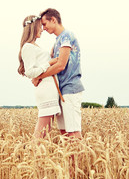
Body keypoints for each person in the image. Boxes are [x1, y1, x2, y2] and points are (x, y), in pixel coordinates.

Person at [32, 8, 84, 138]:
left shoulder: (67, 36)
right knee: (65, 132)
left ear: (53, 20)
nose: (43, 28)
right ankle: (72, 159)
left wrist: (38, 76)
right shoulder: (58, 41)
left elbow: (60, 65)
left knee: (73, 131)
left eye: (44, 24)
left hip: (70, 88)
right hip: (62, 91)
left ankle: (79, 159)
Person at [18, 15, 61, 138]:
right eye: (40, 26)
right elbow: (30, 72)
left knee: (46, 130)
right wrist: (49, 63)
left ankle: (37, 155)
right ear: (33, 27)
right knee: (42, 130)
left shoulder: (34, 46)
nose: (42, 29)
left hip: (49, 88)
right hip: (45, 89)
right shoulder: (28, 47)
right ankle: (34, 155)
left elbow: (40, 65)